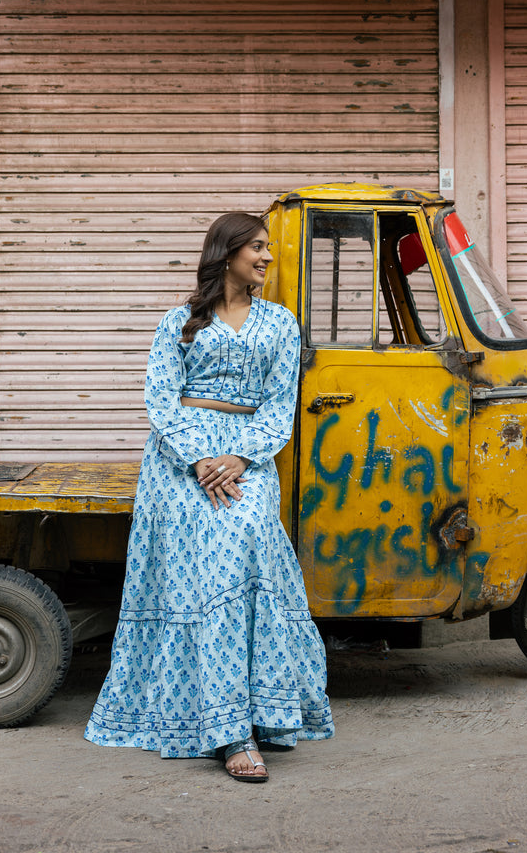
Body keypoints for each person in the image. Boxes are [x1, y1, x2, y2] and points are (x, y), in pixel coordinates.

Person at [85, 212, 334, 781]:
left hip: (247, 459)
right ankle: (229, 733)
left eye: (268, 248)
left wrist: (240, 458)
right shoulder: (179, 323)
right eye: (258, 248)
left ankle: (255, 716)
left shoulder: (280, 323)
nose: (268, 258)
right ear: (227, 254)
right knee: (201, 574)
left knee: (241, 544)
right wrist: (200, 459)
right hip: (180, 464)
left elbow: (280, 405)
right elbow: (160, 398)